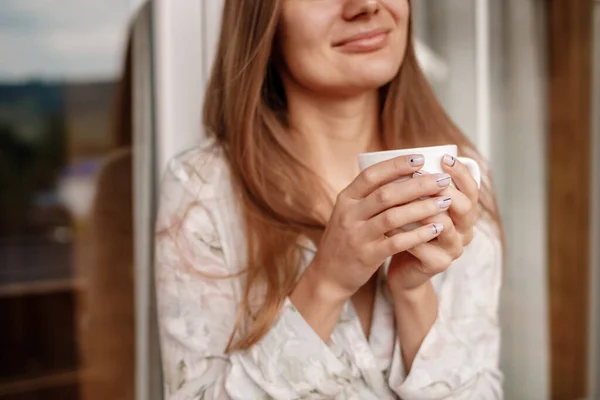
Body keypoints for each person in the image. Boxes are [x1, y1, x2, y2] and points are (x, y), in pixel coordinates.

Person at [155, 0, 503, 398]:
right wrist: (328, 282)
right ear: (263, 16)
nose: (367, 5)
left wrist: (413, 293)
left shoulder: (463, 178)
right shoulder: (203, 190)